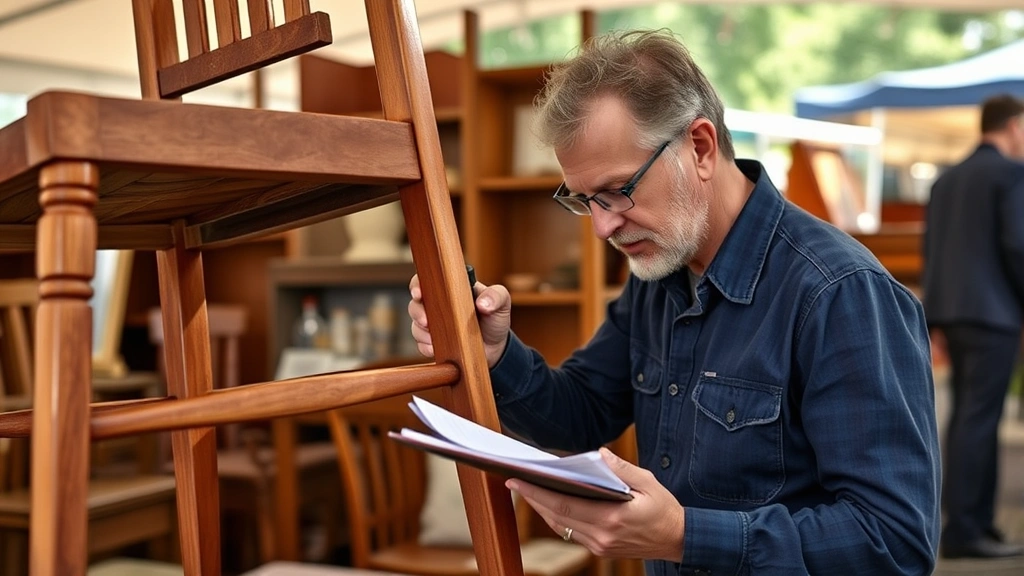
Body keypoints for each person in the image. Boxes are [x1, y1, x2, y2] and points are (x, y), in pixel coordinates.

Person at [408, 30, 940, 575]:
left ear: (701, 148)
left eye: (618, 190)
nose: (602, 227)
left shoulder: (840, 293)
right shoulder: (658, 272)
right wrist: (496, 353)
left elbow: (893, 542)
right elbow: (582, 414)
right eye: (584, 200)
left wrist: (685, 536)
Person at [922, 93, 1024, 560]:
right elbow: (1017, 246)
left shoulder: (947, 180)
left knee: (966, 416)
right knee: (979, 420)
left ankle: (973, 522)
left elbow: (933, 250)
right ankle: (967, 530)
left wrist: (936, 317)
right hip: (996, 313)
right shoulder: (1009, 173)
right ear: (1014, 126)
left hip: (953, 314)